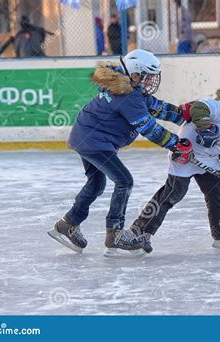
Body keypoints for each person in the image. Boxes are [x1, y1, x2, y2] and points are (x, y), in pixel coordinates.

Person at [47, 49, 192, 257]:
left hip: (86, 138)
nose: (151, 82)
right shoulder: (128, 96)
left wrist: (184, 116)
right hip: (95, 143)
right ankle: (114, 234)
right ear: (135, 74)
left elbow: (156, 107)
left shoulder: (130, 90)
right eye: (148, 77)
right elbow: (148, 128)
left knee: (96, 184)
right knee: (124, 181)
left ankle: (66, 225)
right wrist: (176, 144)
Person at [129, 78, 220, 254]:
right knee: (173, 193)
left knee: (219, 191)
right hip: (185, 154)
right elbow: (198, 107)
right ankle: (139, 232)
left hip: (208, 159)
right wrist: (205, 128)